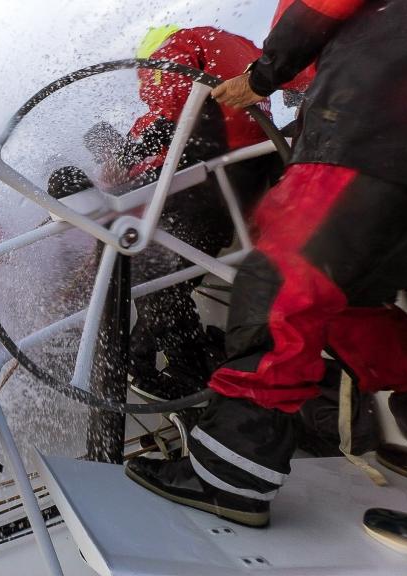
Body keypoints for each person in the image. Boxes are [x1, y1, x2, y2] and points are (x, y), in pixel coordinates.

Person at [126, 0, 407, 545]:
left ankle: (228, 474)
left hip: (373, 118)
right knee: (352, 305)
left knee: (279, 285)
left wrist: (266, 74)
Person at [90, 25, 283, 404]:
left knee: (152, 274)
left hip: (209, 182)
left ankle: (190, 371)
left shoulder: (174, 48)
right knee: (168, 279)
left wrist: (127, 158)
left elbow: (173, 108)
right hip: (251, 178)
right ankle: (144, 358)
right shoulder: (236, 46)